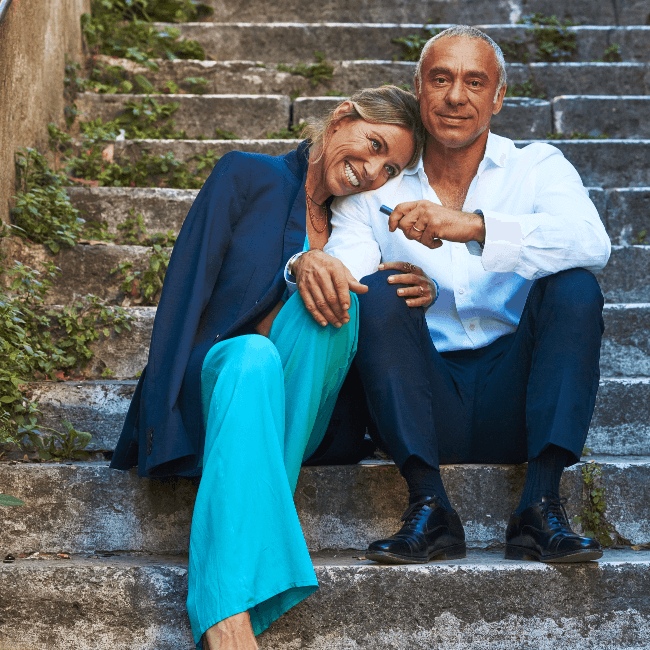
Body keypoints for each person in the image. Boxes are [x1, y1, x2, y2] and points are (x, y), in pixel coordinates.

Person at [110, 86, 426, 650]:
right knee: (253, 356)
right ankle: (230, 620)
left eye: (390, 167)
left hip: (302, 412)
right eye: (373, 145)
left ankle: (226, 602)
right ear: (340, 118)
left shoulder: (357, 233)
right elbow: (186, 293)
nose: (372, 171)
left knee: (338, 299)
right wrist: (157, 421)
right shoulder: (246, 176)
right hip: (221, 386)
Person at [322, 26, 611, 565]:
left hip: (518, 400)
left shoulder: (536, 166)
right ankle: (429, 506)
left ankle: (540, 503)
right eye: (441, 79)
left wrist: (474, 227)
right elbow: (345, 265)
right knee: (383, 291)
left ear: (497, 97)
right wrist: (379, 269)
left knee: (575, 286)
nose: (456, 96)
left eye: (474, 82)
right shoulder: (379, 182)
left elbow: (591, 242)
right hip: (424, 403)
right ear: (419, 88)